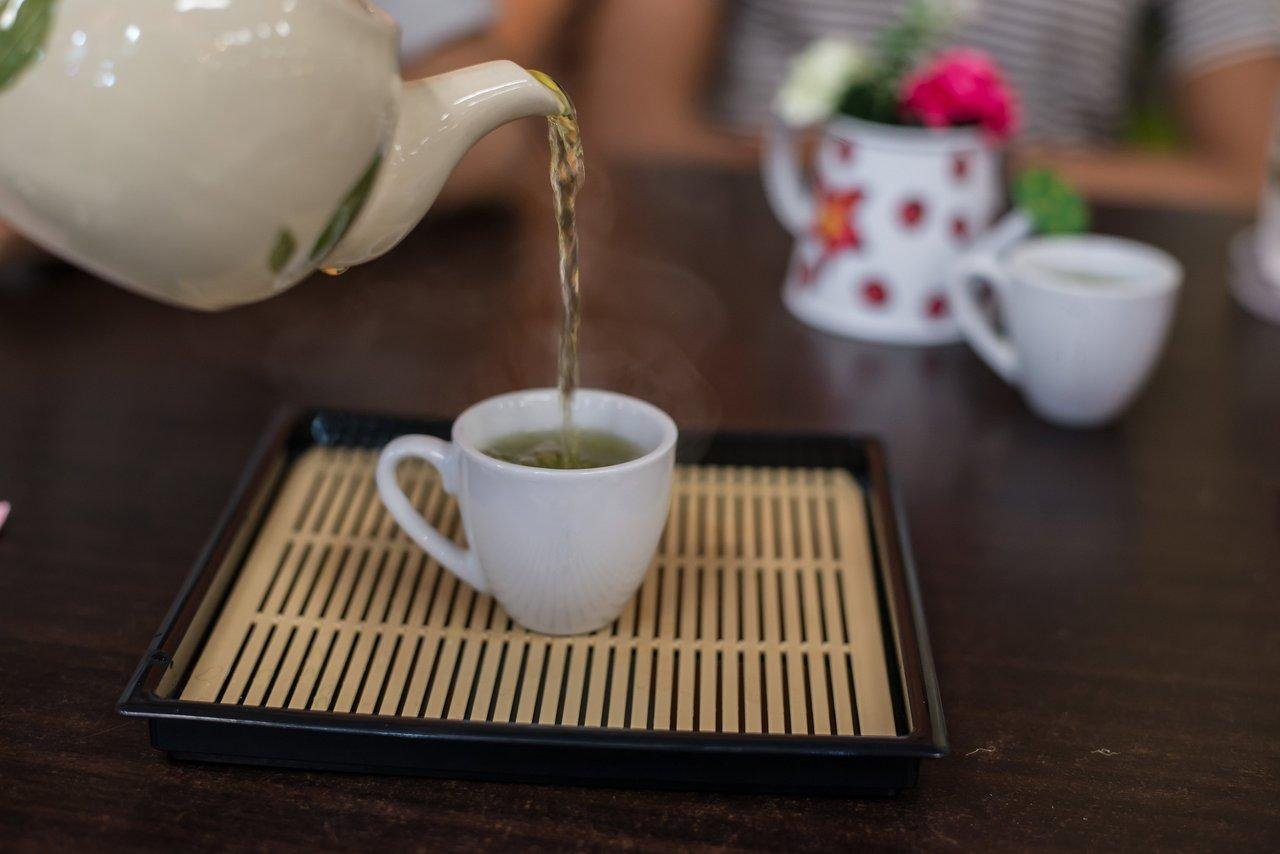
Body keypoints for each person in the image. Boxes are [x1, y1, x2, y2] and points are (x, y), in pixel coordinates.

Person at [579, 0, 1280, 211]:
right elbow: (630, 129)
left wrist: (939, 168)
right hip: (754, 246)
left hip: (1041, 256)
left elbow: (1258, 175)